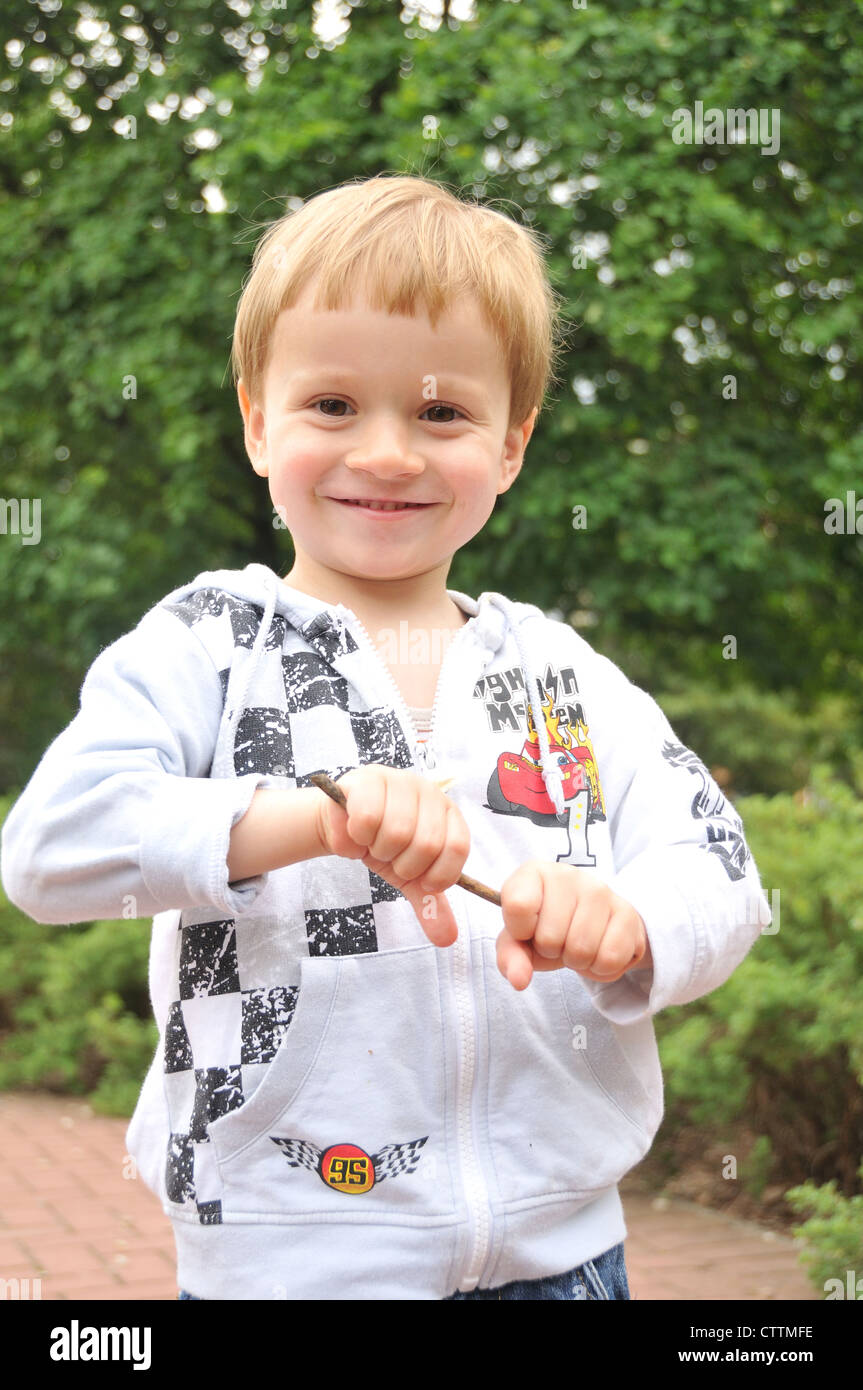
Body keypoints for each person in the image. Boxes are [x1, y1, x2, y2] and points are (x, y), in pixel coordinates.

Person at [0, 172, 771, 1301]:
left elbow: (721, 868)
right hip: (289, 1258)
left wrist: (631, 923)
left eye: (441, 412)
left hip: (566, 1256)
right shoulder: (210, 641)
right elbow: (49, 850)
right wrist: (309, 820)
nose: (390, 452)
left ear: (510, 446)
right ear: (259, 424)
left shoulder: (559, 672)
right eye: (332, 406)